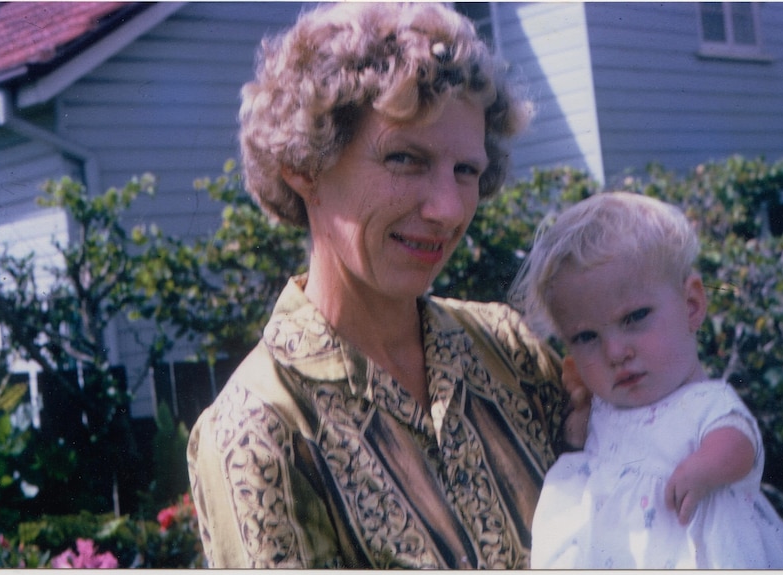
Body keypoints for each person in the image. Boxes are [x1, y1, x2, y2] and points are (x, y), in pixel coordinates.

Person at [186, 3, 588, 568]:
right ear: (304, 166)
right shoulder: (261, 431)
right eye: (405, 158)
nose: (448, 210)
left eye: (466, 171)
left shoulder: (508, 348)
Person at [512, 191, 783, 569]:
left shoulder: (703, 402)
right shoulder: (604, 404)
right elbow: (586, 444)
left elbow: (740, 445)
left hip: (694, 546)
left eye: (634, 318)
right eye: (587, 337)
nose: (615, 352)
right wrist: (579, 420)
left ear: (691, 306)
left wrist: (702, 469)